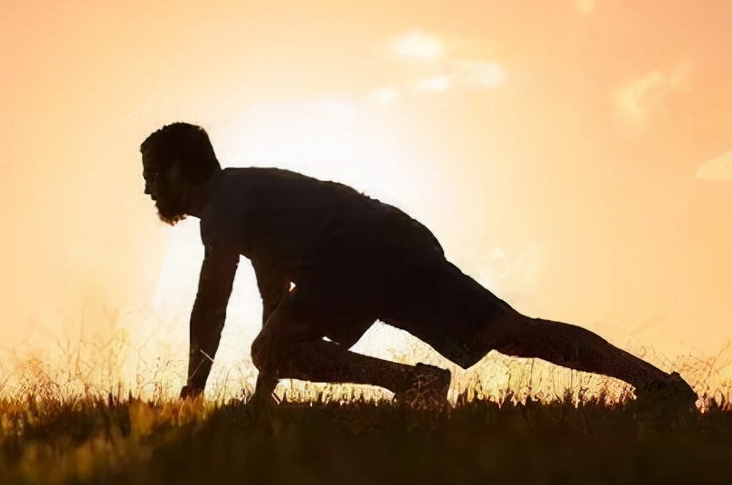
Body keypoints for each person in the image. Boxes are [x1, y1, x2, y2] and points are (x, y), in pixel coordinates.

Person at [140, 122, 698, 411]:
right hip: (395, 237)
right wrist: (266, 393)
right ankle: (658, 385)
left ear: (178, 168)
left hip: (355, 251)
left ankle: (414, 382)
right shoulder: (250, 198)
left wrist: (193, 394)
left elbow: (211, 308)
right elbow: (276, 306)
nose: (147, 188)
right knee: (508, 331)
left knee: (268, 348)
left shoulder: (222, 207)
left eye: (151, 174)